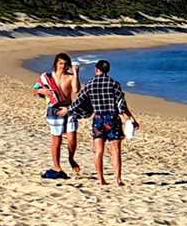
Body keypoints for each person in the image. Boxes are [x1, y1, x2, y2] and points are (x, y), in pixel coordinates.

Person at [59, 59, 139, 187]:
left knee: (99, 151)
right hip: (112, 118)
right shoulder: (114, 84)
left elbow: (79, 101)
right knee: (116, 151)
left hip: (98, 118)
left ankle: (101, 179)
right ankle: (118, 179)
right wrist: (131, 118)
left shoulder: (91, 83)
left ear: (97, 69)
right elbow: (121, 105)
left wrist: (67, 109)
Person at [33, 53, 82, 179]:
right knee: (57, 139)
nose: (63, 66)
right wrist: (41, 91)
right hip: (54, 109)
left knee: (72, 137)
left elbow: (76, 90)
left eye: (66, 64)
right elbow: (35, 89)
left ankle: (71, 159)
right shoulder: (47, 76)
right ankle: (57, 166)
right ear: (56, 64)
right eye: (61, 64)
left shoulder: (70, 77)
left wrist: (76, 73)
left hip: (68, 108)